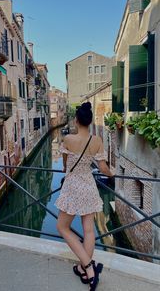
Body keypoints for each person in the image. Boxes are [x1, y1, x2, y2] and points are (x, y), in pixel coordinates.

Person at [55, 102, 113, 291]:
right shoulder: (97, 140)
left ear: (76, 120)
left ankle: (88, 267)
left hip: (73, 186)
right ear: (89, 122)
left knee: (62, 227)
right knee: (88, 229)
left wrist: (67, 167)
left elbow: (65, 166)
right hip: (88, 185)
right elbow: (103, 168)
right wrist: (113, 175)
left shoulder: (68, 139)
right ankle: (83, 267)